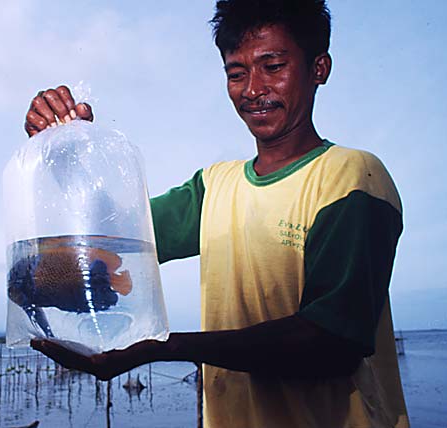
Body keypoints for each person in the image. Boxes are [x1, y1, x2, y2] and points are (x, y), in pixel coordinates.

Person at [26, 0, 410, 426]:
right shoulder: (214, 187)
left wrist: (162, 347)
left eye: (273, 66)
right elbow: (110, 234)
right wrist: (68, 147)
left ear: (319, 68)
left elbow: (331, 343)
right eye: (236, 73)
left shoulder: (352, 176)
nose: (253, 89)